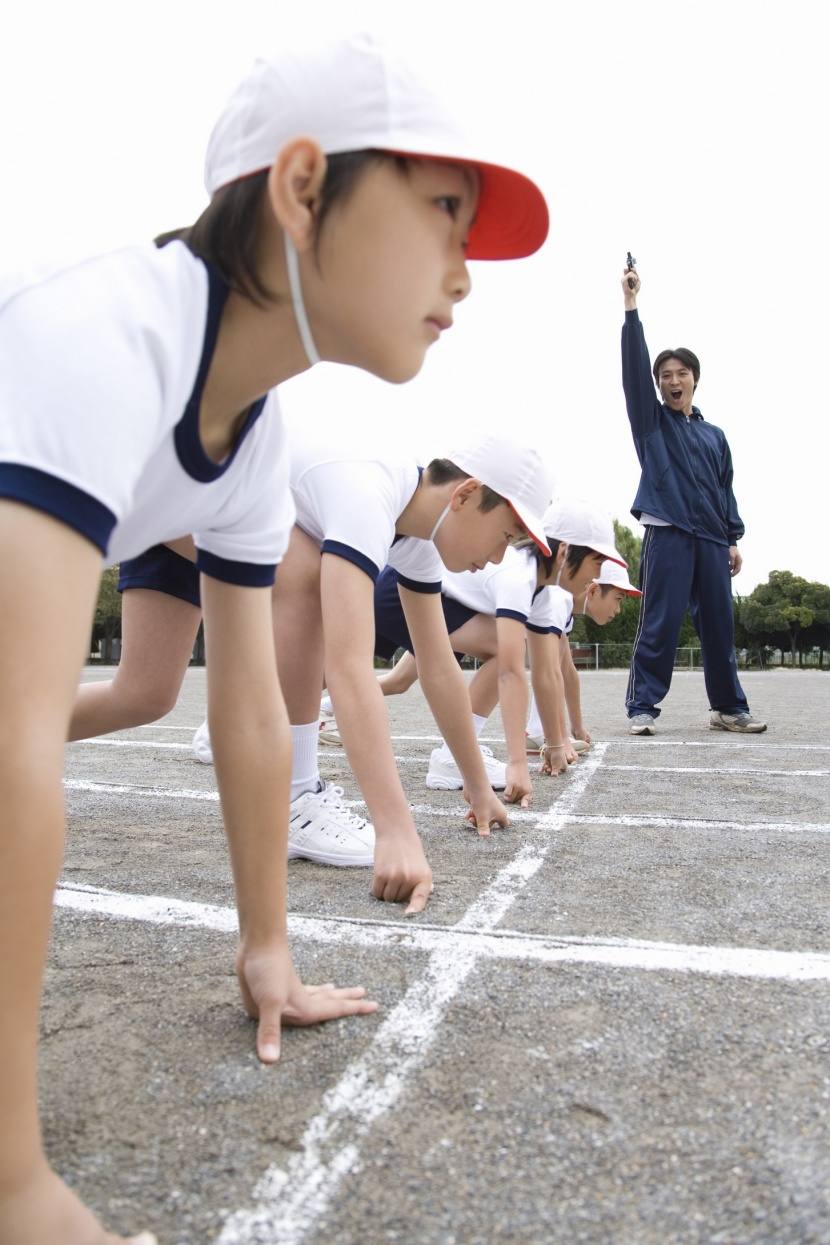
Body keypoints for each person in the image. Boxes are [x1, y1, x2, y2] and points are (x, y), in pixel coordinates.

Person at [0, 33, 549, 1245]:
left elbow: (249, 709)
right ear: (302, 190)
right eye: (443, 214)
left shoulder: (254, 442)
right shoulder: (101, 338)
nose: (463, 271)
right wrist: (15, 1184)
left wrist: (268, 951)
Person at [194, 431, 554, 880]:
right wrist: (396, 831)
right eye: (505, 535)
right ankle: (293, 794)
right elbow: (347, 668)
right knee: (308, 580)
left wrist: (478, 786)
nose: (501, 555)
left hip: (213, 513)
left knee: (142, 694)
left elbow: (439, 667)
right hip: (172, 492)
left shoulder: (418, 537)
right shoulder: (370, 496)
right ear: (464, 494)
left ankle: (235, 723)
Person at [369, 499, 624, 804]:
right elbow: (511, 671)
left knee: (388, 680)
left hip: (448, 600)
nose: (596, 576)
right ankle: (452, 757)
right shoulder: (518, 577)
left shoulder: (544, 592)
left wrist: (555, 745)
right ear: (564, 552)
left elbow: (545, 673)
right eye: (596, 564)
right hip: (405, 590)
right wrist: (517, 763)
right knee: (504, 650)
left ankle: (320, 706)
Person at [620, 266, 767, 737]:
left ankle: (728, 707)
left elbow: (725, 488)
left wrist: (732, 539)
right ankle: (643, 706)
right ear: (658, 385)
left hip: (711, 541)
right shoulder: (652, 425)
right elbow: (633, 374)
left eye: (681, 373)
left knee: (721, 629)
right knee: (660, 625)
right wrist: (631, 309)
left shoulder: (714, 435)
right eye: (665, 375)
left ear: (695, 380)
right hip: (668, 535)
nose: (672, 380)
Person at [526, 557, 643, 751]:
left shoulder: (565, 610)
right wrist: (559, 738)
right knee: (503, 663)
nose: (619, 609)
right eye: (618, 598)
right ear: (594, 590)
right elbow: (549, 672)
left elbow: (567, 671)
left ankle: (537, 730)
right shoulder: (558, 599)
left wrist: (577, 727)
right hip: (476, 621)